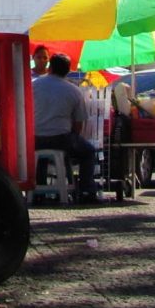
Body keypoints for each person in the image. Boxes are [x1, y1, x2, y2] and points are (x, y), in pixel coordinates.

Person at [32, 53, 99, 203]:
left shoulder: (34, 85)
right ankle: (86, 191)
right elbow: (78, 124)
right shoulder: (73, 90)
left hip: (34, 139)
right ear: (68, 71)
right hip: (61, 139)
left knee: (40, 159)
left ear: (50, 68)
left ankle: (37, 193)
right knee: (88, 151)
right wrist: (73, 137)